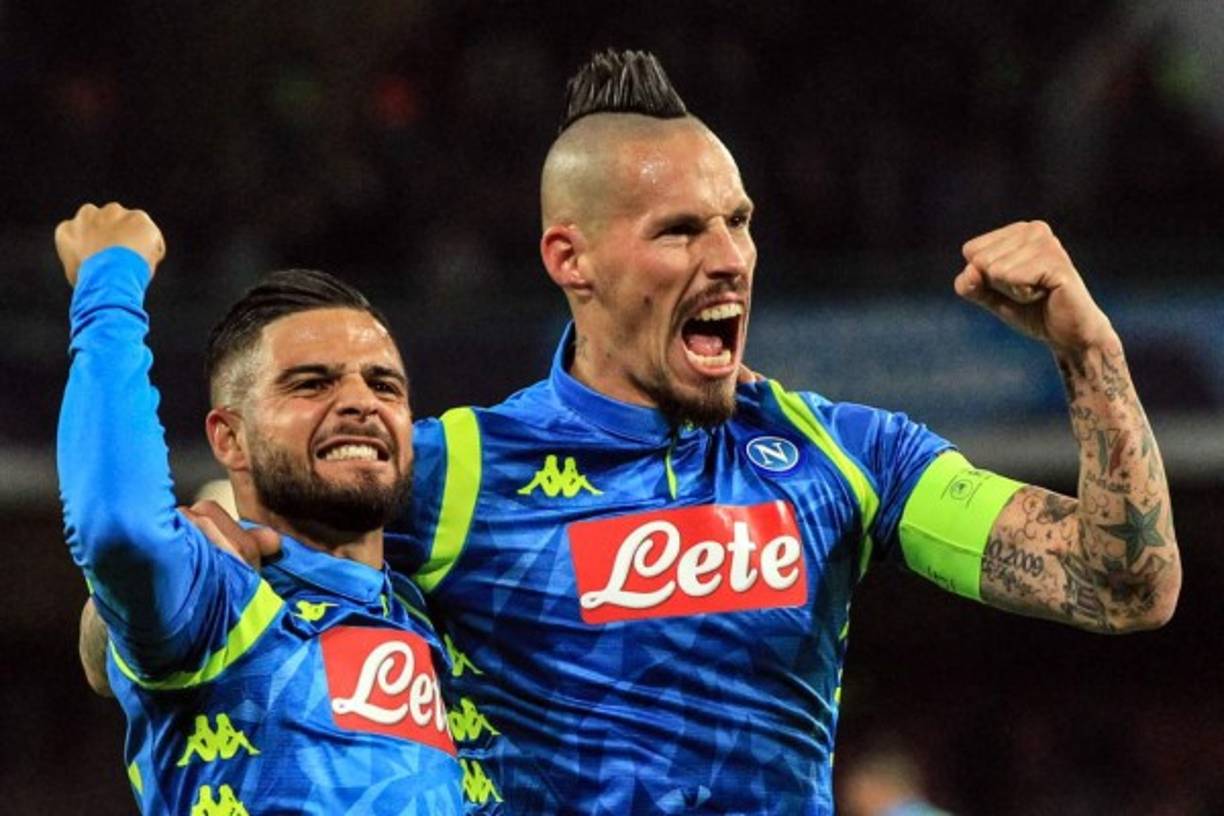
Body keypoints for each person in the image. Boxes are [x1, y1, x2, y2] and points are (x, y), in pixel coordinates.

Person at [80, 50, 1181, 815]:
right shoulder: (456, 469)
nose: (731, 256)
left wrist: (1091, 353)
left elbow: (1124, 586)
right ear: (574, 260)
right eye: (682, 229)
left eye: (740, 222)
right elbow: (149, 610)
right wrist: (133, 601)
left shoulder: (849, 457)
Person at [57, 203, 463, 814]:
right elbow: (121, 527)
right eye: (311, 383)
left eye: (384, 385)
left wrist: (104, 628)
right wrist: (109, 282)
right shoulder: (219, 595)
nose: (360, 401)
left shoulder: (429, 603)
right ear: (230, 439)